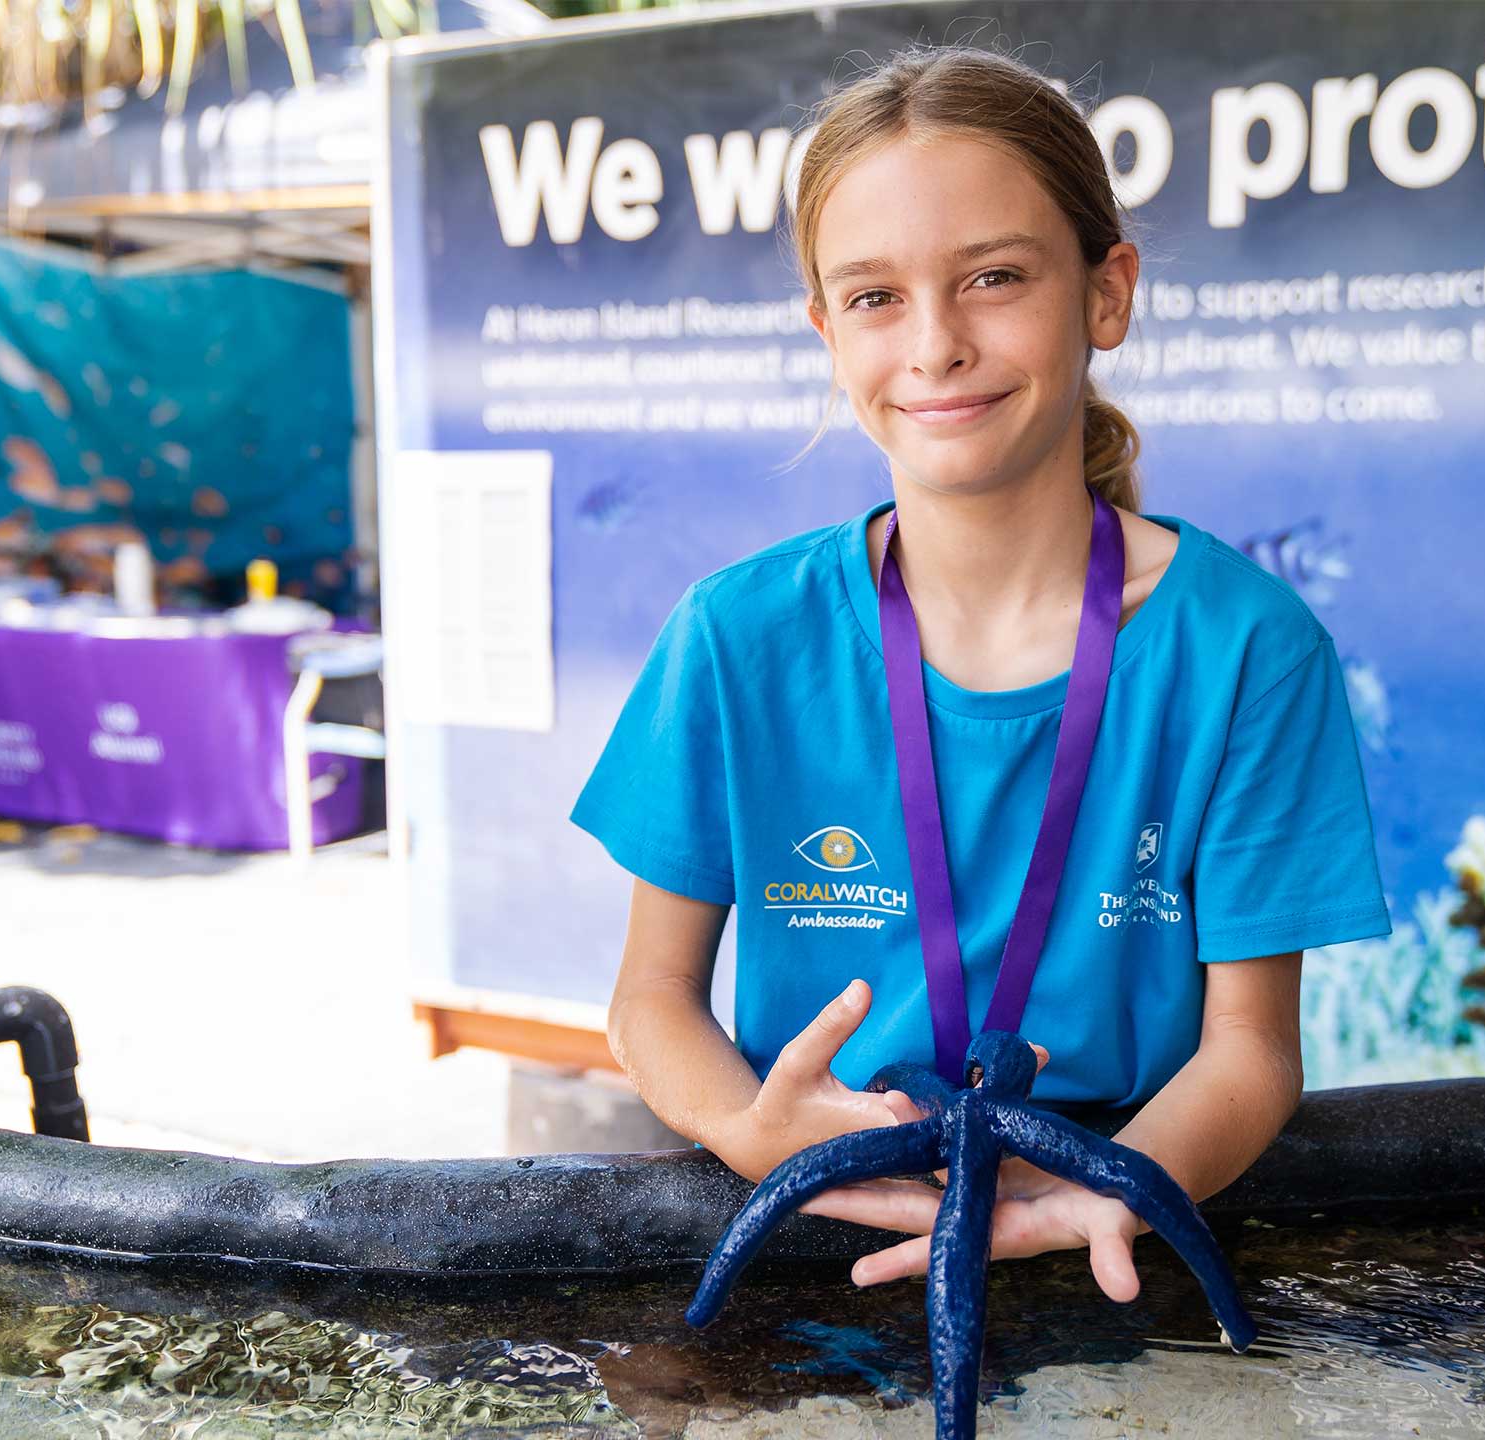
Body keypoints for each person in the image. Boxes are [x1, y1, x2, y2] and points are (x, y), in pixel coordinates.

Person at [570, 45, 1391, 1305]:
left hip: (1121, 1230)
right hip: (809, 1225)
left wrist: (1096, 1193)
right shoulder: (735, 636)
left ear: (1105, 295)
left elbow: (1248, 1054)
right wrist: (750, 1129)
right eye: (875, 297)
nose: (937, 344)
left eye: (994, 278)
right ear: (826, 331)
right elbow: (650, 1002)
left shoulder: (1246, 649)